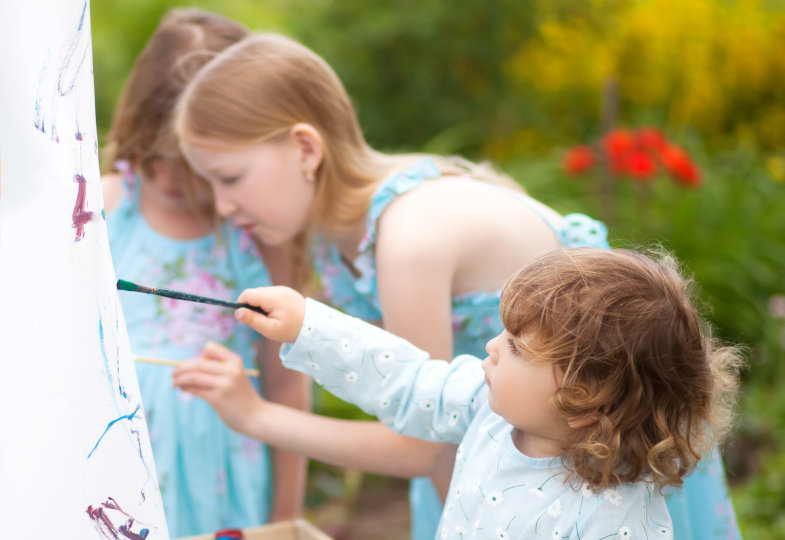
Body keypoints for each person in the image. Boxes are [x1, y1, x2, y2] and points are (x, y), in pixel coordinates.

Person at [173, 32, 741, 539]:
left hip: (590, 461)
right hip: (499, 457)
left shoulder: (408, 237)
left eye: (229, 178)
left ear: (304, 148)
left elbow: (419, 439)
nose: (224, 205)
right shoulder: (344, 229)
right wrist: (308, 326)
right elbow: (413, 382)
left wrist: (255, 418)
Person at [173, 247, 743, 539]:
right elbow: (405, 378)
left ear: (586, 393)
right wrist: (307, 325)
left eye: (517, 348)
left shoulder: (613, 517)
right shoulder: (485, 407)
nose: (490, 349)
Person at [101, 11, 309, 537]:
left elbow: (286, 385)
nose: (170, 176)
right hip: (116, 465)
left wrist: (286, 516)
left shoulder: (255, 234)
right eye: (155, 156)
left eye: (189, 162)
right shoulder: (101, 208)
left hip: (222, 472)